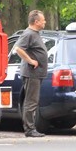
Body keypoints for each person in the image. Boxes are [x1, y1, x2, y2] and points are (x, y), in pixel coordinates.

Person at [14, 10, 48, 138]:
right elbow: (18, 48)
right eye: (43, 20)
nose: (45, 22)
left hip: (37, 73)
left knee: (33, 101)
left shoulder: (35, 34)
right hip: (31, 73)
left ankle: (31, 128)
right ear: (36, 21)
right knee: (31, 101)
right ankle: (29, 129)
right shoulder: (28, 34)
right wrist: (30, 60)